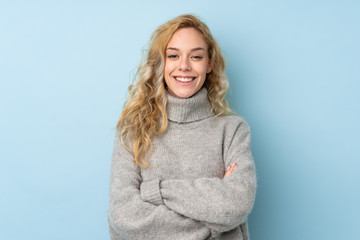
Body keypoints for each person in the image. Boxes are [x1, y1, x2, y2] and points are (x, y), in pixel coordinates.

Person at [108, 14, 256, 240]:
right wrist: (216, 225)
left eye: (196, 56)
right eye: (174, 55)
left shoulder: (233, 131)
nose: (184, 66)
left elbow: (236, 204)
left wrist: (155, 191)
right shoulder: (133, 131)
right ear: (161, 63)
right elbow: (124, 217)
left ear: (209, 64)